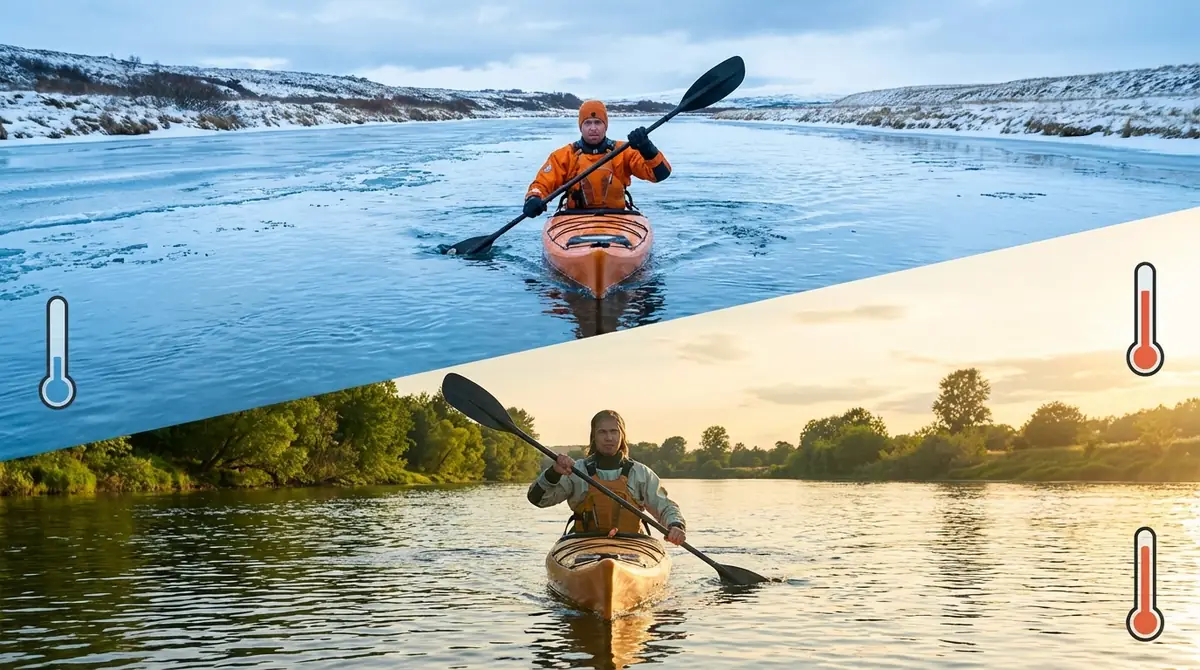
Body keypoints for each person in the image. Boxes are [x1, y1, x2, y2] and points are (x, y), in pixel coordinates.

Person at [526, 409, 687, 546]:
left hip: (631, 548)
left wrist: (675, 525)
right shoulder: (577, 471)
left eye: (613, 431)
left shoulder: (641, 473)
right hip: (584, 546)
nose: (608, 438)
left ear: (622, 436)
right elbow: (538, 500)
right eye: (602, 432)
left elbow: (665, 506)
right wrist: (553, 472)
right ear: (594, 437)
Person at [522, 99, 673, 216]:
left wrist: (647, 148)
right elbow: (542, 184)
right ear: (580, 127)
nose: (593, 128)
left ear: (605, 126)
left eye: (598, 123)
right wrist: (534, 198)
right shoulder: (564, 156)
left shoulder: (623, 151)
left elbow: (660, 175)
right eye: (587, 123)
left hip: (617, 216)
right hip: (574, 217)